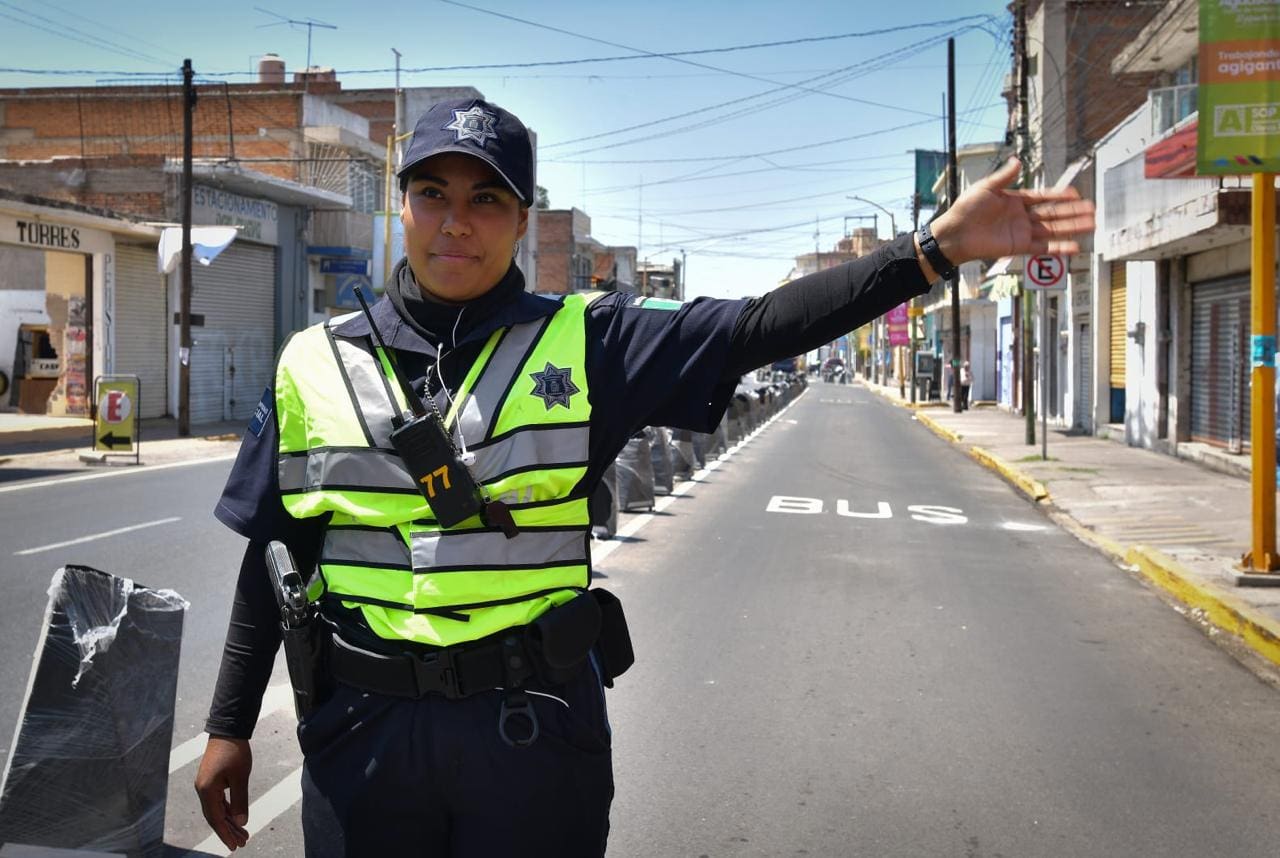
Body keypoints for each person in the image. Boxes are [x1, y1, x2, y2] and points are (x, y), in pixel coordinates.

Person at [194, 96, 1093, 857]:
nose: (456, 222)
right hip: (366, 735)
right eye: (433, 194)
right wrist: (229, 725)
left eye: (486, 199)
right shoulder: (313, 360)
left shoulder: (592, 340)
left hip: (531, 728)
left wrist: (930, 252)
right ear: (404, 205)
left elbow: (755, 326)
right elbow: (278, 548)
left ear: (519, 217)